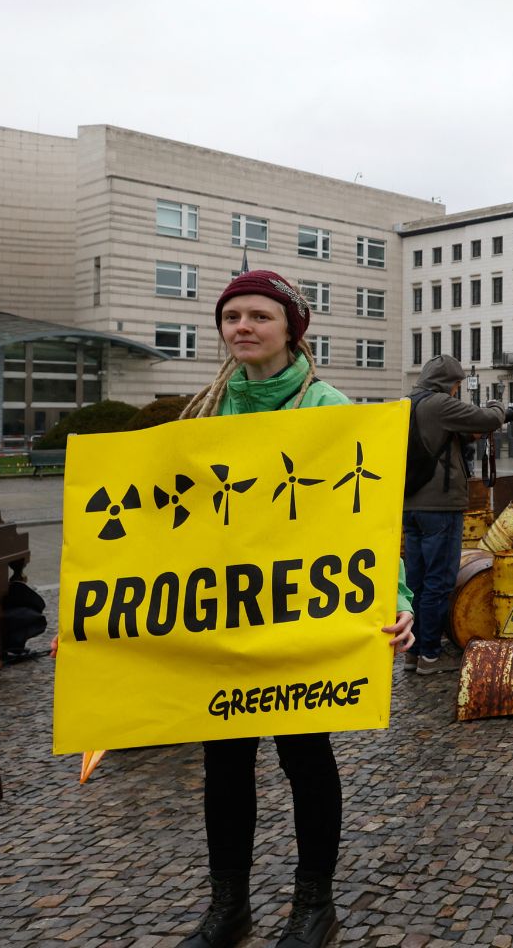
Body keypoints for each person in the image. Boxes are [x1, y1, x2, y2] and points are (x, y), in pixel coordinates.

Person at [174, 269, 416, 948]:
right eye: (231, 317)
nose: (242, 328)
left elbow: (365, 520)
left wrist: (395, 599)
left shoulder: (327, 408)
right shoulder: (202, 412)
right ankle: (228, 907)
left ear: (291, 328)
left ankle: (314, 905)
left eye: (258, 316)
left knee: (304, 757)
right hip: (225, 619)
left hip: (303, 618)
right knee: (223, 762)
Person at [403, 354, 513, 674]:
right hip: (440, 506)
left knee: (416, 581)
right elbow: (487, 419)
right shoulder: (438, 404)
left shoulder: (408, 402)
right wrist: (499, 408)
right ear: (448, 384)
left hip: (410, 505)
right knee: (439, 581)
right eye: (456, 385)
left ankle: (413, 653)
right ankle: (430, 655)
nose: (457, 391)